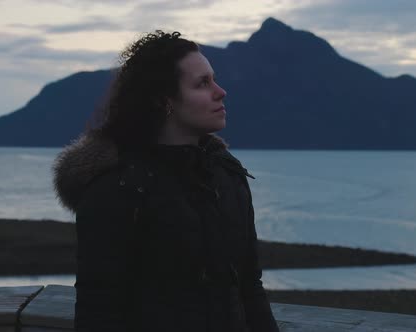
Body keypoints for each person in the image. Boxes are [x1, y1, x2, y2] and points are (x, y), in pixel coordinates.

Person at [53, 30, 279, 332]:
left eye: (213, 79)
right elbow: (100, 308)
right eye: (203, 83)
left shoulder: (227, 176)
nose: (220, 91)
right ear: (165, 100)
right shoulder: (117, 188)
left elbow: (250, 288)